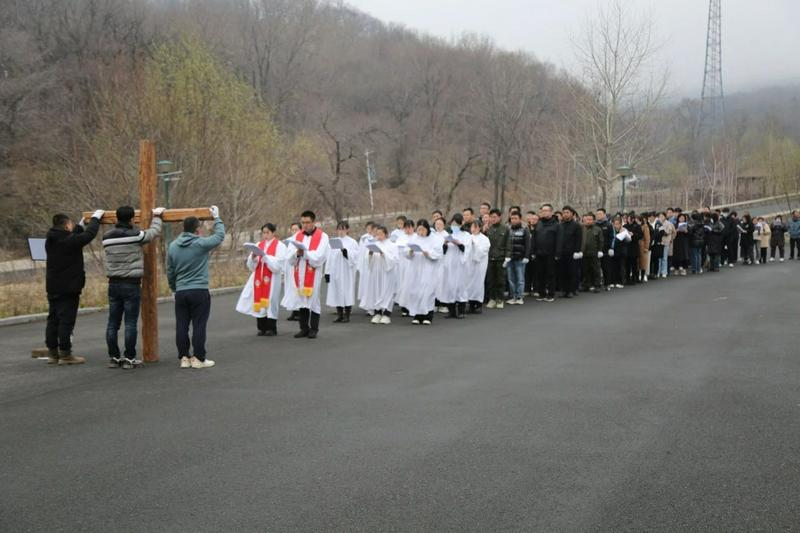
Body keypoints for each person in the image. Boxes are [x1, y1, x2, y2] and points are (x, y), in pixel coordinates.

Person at [102, 205, 164, 368]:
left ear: (116, 217)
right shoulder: (135, 235)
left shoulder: (106, 237)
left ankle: (114, 358)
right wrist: (157, 216)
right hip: (131, 284)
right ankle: (129, 358)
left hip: (113, 283)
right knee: (130, 323)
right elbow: (152, 233)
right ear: (131, 219)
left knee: (112, 323)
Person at [167, 206, 225, 369]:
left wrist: (174, 288)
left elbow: (170, 270)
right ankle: (198, 358)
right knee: (199, 324)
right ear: (197, 229)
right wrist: (217, 218)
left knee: (181, 325)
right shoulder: (200, 243)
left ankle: (184, 357)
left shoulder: (173, 246)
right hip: (199, 290)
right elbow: (219, 236)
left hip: (181, 290)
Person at [44, 210, 103, 365]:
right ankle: (65, 354)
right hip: (69, 287)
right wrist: (96, 219)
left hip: (53, 286)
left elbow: (73, 237)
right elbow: (88, 236)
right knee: (66, 320)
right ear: (66, 225)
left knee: (53, 319)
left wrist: (80, 225)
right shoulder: (68, 240)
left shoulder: (51, 239)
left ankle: (53, 353)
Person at [284, 210, 330, 339]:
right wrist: (297, 253)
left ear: (314, 222)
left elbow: (319, 256)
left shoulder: (322, 237)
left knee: (313, 300)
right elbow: (289, 257)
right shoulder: (296, 237)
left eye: (308, 222)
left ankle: (314, 328)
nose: (305, 225)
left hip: (313, 273)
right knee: (301, 300)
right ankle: (304, 328)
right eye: (303, 223)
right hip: (300, 274)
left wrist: (304, 253)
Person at [235, 223, 287, 336]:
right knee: (258, 299)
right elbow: (252, 266)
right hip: (258, 277)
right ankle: (261, 327)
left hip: (272, 278)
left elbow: (279, 265)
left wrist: (266, 257)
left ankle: (271, 328)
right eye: (264, 232)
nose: (265, 235)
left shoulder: (280, 246)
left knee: (271, 302)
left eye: (268, 232)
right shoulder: (259, 244)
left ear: (273, 233)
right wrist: (253, 258)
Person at [402, 219, 443, 324]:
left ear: (427, 229)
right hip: (416, 269)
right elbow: (406, 251)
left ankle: (428, 315)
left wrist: (428, 253)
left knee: (427, 292)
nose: (421, 232)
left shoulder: (434, 239)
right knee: (415, 292)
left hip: (429, 269)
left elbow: (438, 253)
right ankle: (417, 315)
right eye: (419, 229)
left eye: (423, 230)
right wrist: (410, 251)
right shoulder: (415, 238)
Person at [362, 226, 399, 324]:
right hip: (376, 273)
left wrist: (383, 254)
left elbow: (395, 260)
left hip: (387, 274)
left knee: (387, 292)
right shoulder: (375, 244)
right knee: (376, 292)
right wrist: (370, 254)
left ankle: (387, 314)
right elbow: (367, 260)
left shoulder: (392, 245)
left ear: (386, 234)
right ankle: (377, 312)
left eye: (381, 234)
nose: (379, 236)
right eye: (377, 234)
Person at [325, 221, 359, 323]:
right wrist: (327, 272)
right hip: (335, 271)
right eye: (339, 229)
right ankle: (340, 314)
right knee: (336, 291)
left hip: (346, 272)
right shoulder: (333, 241)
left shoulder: (352, 242)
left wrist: (346, 253)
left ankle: (347, 315)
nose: (341, 231)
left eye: (343, 229)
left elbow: (356, 256)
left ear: (347, 230)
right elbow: (329, 257)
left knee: (346, 292)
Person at [439, 213, 472, 318]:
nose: (454, 226)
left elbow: (467, 250)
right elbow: (443, 251)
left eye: (456, 224)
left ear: (461, 224)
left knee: (460, 287)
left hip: (460, 266)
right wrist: (444, 243)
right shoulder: (449, 235)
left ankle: (461, 311)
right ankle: (451, 311)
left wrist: (458, 244)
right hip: (449, 265)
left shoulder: (466, 236)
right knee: (449, 287)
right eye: (452, 224)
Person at [485, 208, 510, 309]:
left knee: (500, 280)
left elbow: (508, 243)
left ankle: (500, 299)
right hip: (490, 258)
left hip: (501, 258)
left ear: (499, 217)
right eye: (491, 217)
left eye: (495, 217)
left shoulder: (505, 229)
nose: (493, 219)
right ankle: (492, 299)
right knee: (491, 280)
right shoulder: (489, 229)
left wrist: (508, 257)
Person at [504, 211, 531, 305]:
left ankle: (519, 296)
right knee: (511, 278)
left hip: (520, 257)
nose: (513, 220)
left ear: (520, 219)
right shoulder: (507, 228)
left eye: (515, 218)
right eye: (512, 218)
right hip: (510, 257)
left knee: (520, 278)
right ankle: (513, 296)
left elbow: (528, 244)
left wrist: (526, 256)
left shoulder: (524, 228)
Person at [534, 204, 559, 302]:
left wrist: (558, 253)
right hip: (539, 253)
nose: (544, 212)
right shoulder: (539, 223)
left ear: (551, 212)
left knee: (550, 274)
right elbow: (535, 238)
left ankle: (550, 294)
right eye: (542, 211)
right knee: (540, 274)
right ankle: (541, 293)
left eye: (546, 210)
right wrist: (533, 251)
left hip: (551, 253)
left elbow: (559, 240)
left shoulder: (556, 224)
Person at [555, 206, 581, 298]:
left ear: (572, 214)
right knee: (562, 272)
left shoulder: (576, 225)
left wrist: (577, 251)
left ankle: (571, 290)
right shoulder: (560, 225)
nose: (565, 214)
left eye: (567, 212)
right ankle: (563, 290)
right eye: (564, 212)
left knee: (572, 272)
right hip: (561, 252)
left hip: (572, 253)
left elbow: (578, 239)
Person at [465, 221, 490, 313]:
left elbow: (484, 250)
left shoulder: (485, 239)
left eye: (475, 227)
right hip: (469, 265)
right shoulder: (468, 237)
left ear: (480, 228)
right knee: (469, 283)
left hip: (479, 265)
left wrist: (474, 246)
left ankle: (478, 304)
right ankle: (471, 304)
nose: (473, 229)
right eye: (472, 227)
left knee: (478, 283)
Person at [356, 221, 377, 314]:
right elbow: (361, 252)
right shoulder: (365, 239)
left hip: (376, 265)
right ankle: (369, 307)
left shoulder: (378, 238)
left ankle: (377, 307)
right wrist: (360, 265)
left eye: (371, 229)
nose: (370, 231)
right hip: (366, 265)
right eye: (368, 228)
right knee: (367, 286)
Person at [283, 222, 302, 321]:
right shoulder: (289, 240)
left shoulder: (300, 240)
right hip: (289, 269)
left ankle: (299, 311)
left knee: (296, 290)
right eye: (292, 229)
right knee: (290, 290)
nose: (294, 231)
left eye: (296, 229)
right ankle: (293, 311)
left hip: (297, 268)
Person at [581, 213, 603, 293]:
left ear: (594, 220)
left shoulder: (597, 229)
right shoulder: (582, 228)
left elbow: (601, 241)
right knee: (585, 270)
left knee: (596, 269)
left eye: (590, 219)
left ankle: (597, 285)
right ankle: (586, 285)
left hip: (594, 253)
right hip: (584, 253)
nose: (588, 221)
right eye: (587, 219)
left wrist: (600, 250)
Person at [608, 217, 630, 289]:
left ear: (620, 224)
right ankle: (612, 281)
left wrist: (625, 235)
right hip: (613, 252)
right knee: (612, 267)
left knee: (621, 267)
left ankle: (620, 281)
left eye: (617, 224)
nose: (616, 225)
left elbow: (628, 240)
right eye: (614, 224)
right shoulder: (612, 231)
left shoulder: (624, 231)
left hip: (621, 252)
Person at [595, 209, 614, 289]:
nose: (598, 215)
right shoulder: (595, 225)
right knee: (596, 268)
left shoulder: (608, 225)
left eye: (600, 214)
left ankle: (607, 284)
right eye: (597, 214)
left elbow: (612, 237)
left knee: (606, 267)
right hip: (596, 249)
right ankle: (597, 284)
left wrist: (611, 248)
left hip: (606, 250)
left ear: (604, 214)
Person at [524, 211, 538, 295]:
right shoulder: (527, 229)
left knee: (536, 272)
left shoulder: (539, 229)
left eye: (535, 219)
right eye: (531, 219)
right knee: (527, 272)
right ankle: (527, 289)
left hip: (536, 253)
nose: (532, 220)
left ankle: (536, 289)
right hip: (527, 253)